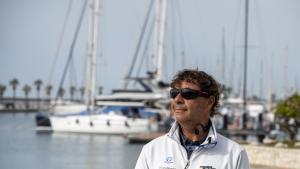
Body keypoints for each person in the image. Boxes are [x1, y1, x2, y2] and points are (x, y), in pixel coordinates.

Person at [135, 69, 250, 169]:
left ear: (210, 102)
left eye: (188, 93)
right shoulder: (151, 150)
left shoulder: (235, 154)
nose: (177, 99)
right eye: (174, 93)